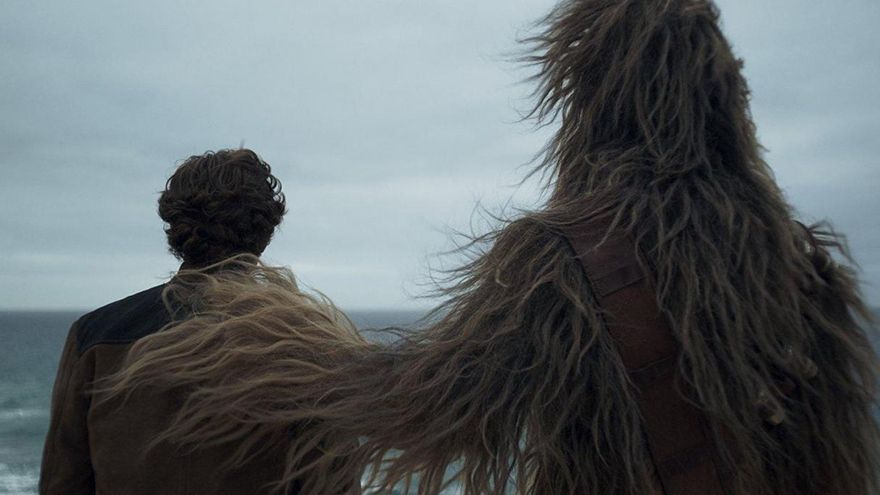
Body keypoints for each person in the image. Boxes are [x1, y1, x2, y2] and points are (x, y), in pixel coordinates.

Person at [101, 1, 880, 494]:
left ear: (591, 100)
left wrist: (271, 326)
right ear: (723, 101)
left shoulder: (570, 256)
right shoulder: (806, 269)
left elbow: (421, 403)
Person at [39, 149, 350, 494]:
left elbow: (62, 483)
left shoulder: (94, 335)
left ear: (175, 226)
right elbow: (334, 486)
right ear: (265, 231)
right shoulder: (309, 345)